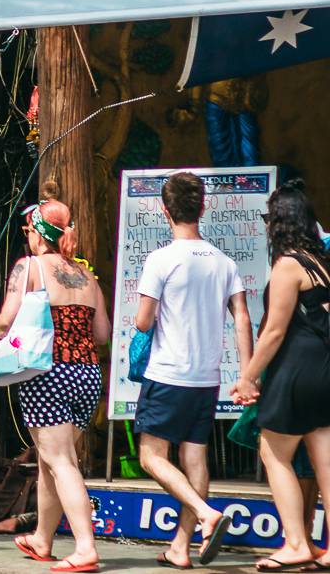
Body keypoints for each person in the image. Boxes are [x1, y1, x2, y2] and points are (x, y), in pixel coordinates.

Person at [134, 170, 252, 568]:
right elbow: (242, 318)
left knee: (151, 457)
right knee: (195, 460)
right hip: (207, 377)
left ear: (165, 210)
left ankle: (205, 514)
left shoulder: (161, 259)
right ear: (203, 207)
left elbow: (142, 322)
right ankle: (181, 548)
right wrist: (246, 373)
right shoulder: (224, 262)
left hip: (168, 374)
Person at [0, 199, 111, 573]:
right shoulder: (85, 275)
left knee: (61, 461)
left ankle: (84, 548)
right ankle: (43, 539)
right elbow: (103, 334)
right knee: (50, 460)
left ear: (38, 233)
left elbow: (5, 321)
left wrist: (1, 349)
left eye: (28, 230)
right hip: (87, 376)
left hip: (49, 374)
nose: (27, 238)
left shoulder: (29, 267)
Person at [230, 180, 330, 571]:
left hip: (297, 370)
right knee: (325, 460)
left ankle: (295, 544)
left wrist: (248, 378)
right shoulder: (321, 262)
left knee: (273, 452)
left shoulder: (288, 263)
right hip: (324, 369)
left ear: (279, 223)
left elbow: (274, 331)